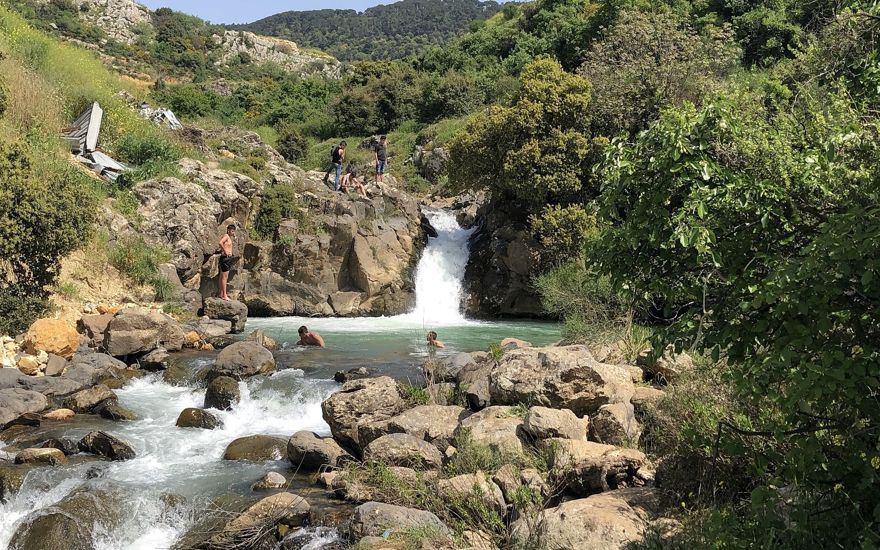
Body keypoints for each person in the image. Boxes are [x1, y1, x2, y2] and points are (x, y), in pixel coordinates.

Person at [218, 224, 235, 301]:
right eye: (232, 231)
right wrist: (225, 251)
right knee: (225, 278)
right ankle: (224, 295)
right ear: (228, 230)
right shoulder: (226, 236)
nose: (233, 232)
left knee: (222, 277)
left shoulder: (228, 237)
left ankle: (221, 294)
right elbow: (220, 242)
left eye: (234, 231)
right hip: (226, 258)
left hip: (225, 258)